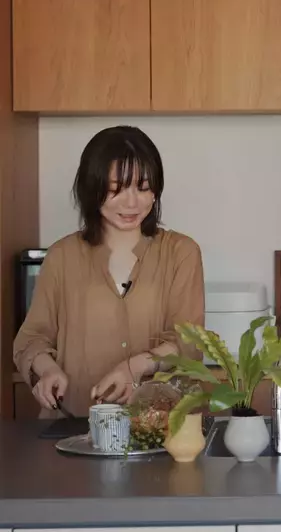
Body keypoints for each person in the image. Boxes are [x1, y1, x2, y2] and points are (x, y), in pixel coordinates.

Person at [13, 125, 205, 418]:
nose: (132, 202)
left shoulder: (181, 252)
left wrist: (134, 367)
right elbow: (31, 339)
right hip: (75, 422)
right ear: (92, 189)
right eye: (116, 189)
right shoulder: (62, 256)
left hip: (162, 426)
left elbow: (189, 342)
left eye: (143, 187)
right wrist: (47, 370)